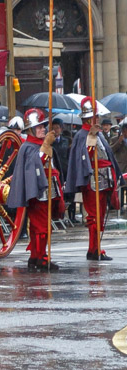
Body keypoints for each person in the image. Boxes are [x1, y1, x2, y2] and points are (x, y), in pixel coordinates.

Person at [6, 109, 64, 271]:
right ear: (30, 129)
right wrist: (45, 146)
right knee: (41, 226)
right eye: (39, 127)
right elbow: (34, 165)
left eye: (43, 126)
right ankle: (40, 257)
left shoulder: (42, 143)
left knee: (43, 225)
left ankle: (36, 256)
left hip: (49, 187)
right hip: (37, 189)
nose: (43, 129)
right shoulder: (28, 146)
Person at [66, 97, 121, 261]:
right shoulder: (82, 135)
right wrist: (90, 139)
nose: (96, 119)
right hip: (92, 180)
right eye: (94, 117)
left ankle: (95, 248)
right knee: (94, 216)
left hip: (104, 178)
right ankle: (94, 249)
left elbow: (107, 155)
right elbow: (83, 158)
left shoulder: (99, 134)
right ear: (88, 118)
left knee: (101, 215)